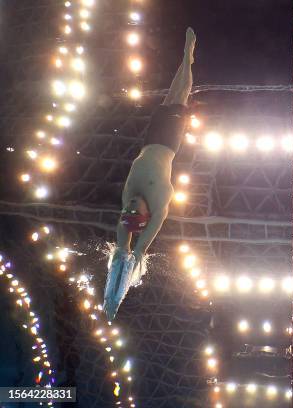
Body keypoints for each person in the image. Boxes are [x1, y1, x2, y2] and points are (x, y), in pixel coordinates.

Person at [103, 28, 196, 320]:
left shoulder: (130, 201)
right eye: (135, 209)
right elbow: (135, 253)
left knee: (170, 95)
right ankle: (188, 58)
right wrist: (115, 299)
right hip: (168, 143)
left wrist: (107, 298)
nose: (131, 204)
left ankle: (186, 58)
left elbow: (120, 249)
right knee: (182, 95)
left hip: (149, 139)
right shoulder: (157, 206)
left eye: (128, 207)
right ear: (145, 216)